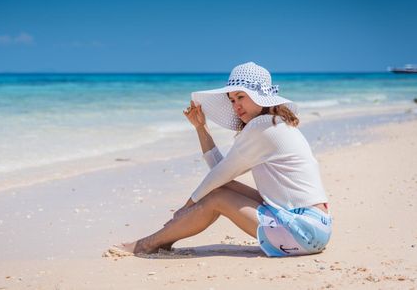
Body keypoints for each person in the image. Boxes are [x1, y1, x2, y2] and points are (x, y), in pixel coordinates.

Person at [114, 62, 332, 257]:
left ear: (261, 96)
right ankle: (163, 239)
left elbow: (219, 175)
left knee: (217, 198)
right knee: (220, 189)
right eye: (232, 100)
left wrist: (184, 209)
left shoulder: (263, 127)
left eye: (241, 97)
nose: (236, 106)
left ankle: (149, 243)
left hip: (302, 231)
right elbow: (222, 174)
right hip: (315, 228)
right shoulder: (275, 123)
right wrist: (201, 128)